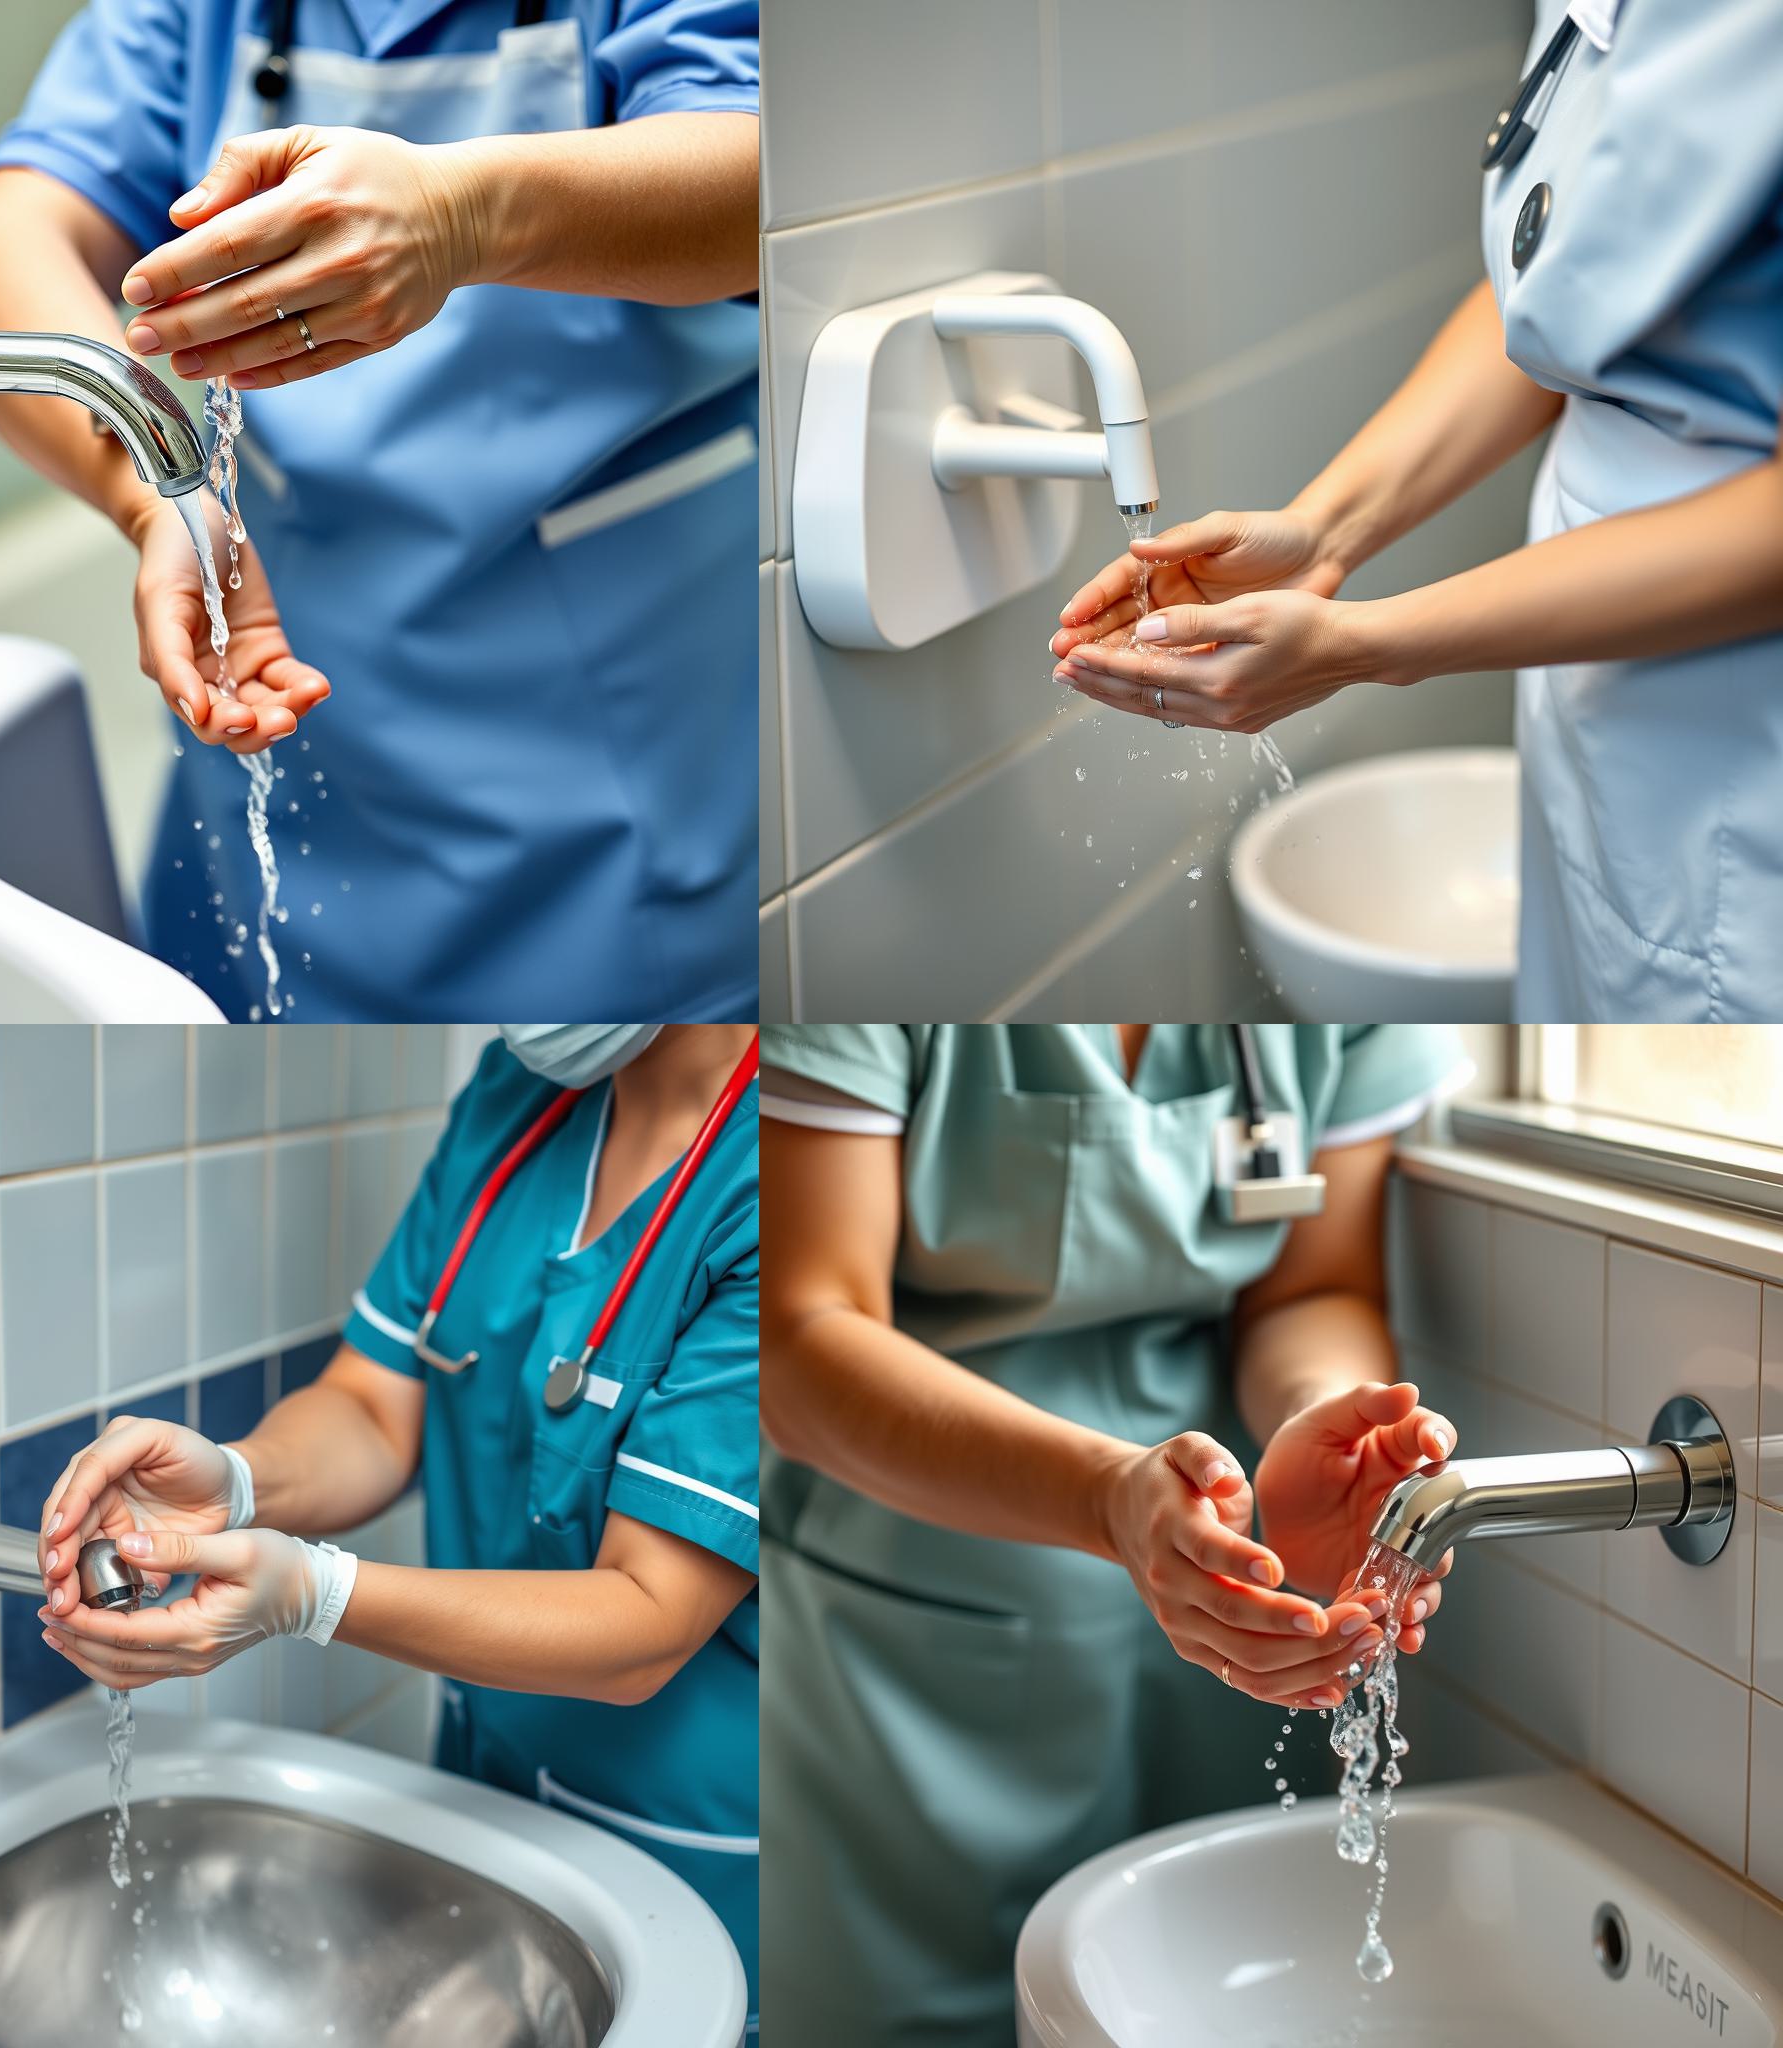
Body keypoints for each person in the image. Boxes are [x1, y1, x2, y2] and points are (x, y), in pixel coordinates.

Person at [0, 2, 758, 1021]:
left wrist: (469, 212)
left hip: (596, 790)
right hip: (261, 734)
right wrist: (160, 491)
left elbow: (767, 178)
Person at [1048, 1, 1783, 1021]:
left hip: (1741, 723)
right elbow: (1568, 284)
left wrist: (1360, 643)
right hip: (1598, 690)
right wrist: (1322, 531)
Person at [34, 1023, 759, 2034]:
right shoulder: (517, 1091)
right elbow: (377, 1406)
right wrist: (237, 1480)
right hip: (485, 1799)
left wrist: (310, 1593)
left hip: (698, 1855)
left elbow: (650, 1614)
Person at [757, 1023, 1469, 2047]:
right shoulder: (859, 934)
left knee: (1197, 1992)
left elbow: (1311, 1290)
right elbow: (802, 1333)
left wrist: (1328, 1430)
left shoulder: (1326, 944)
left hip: (1224, 1589)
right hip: (908, 1613)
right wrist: (1105, 1498)